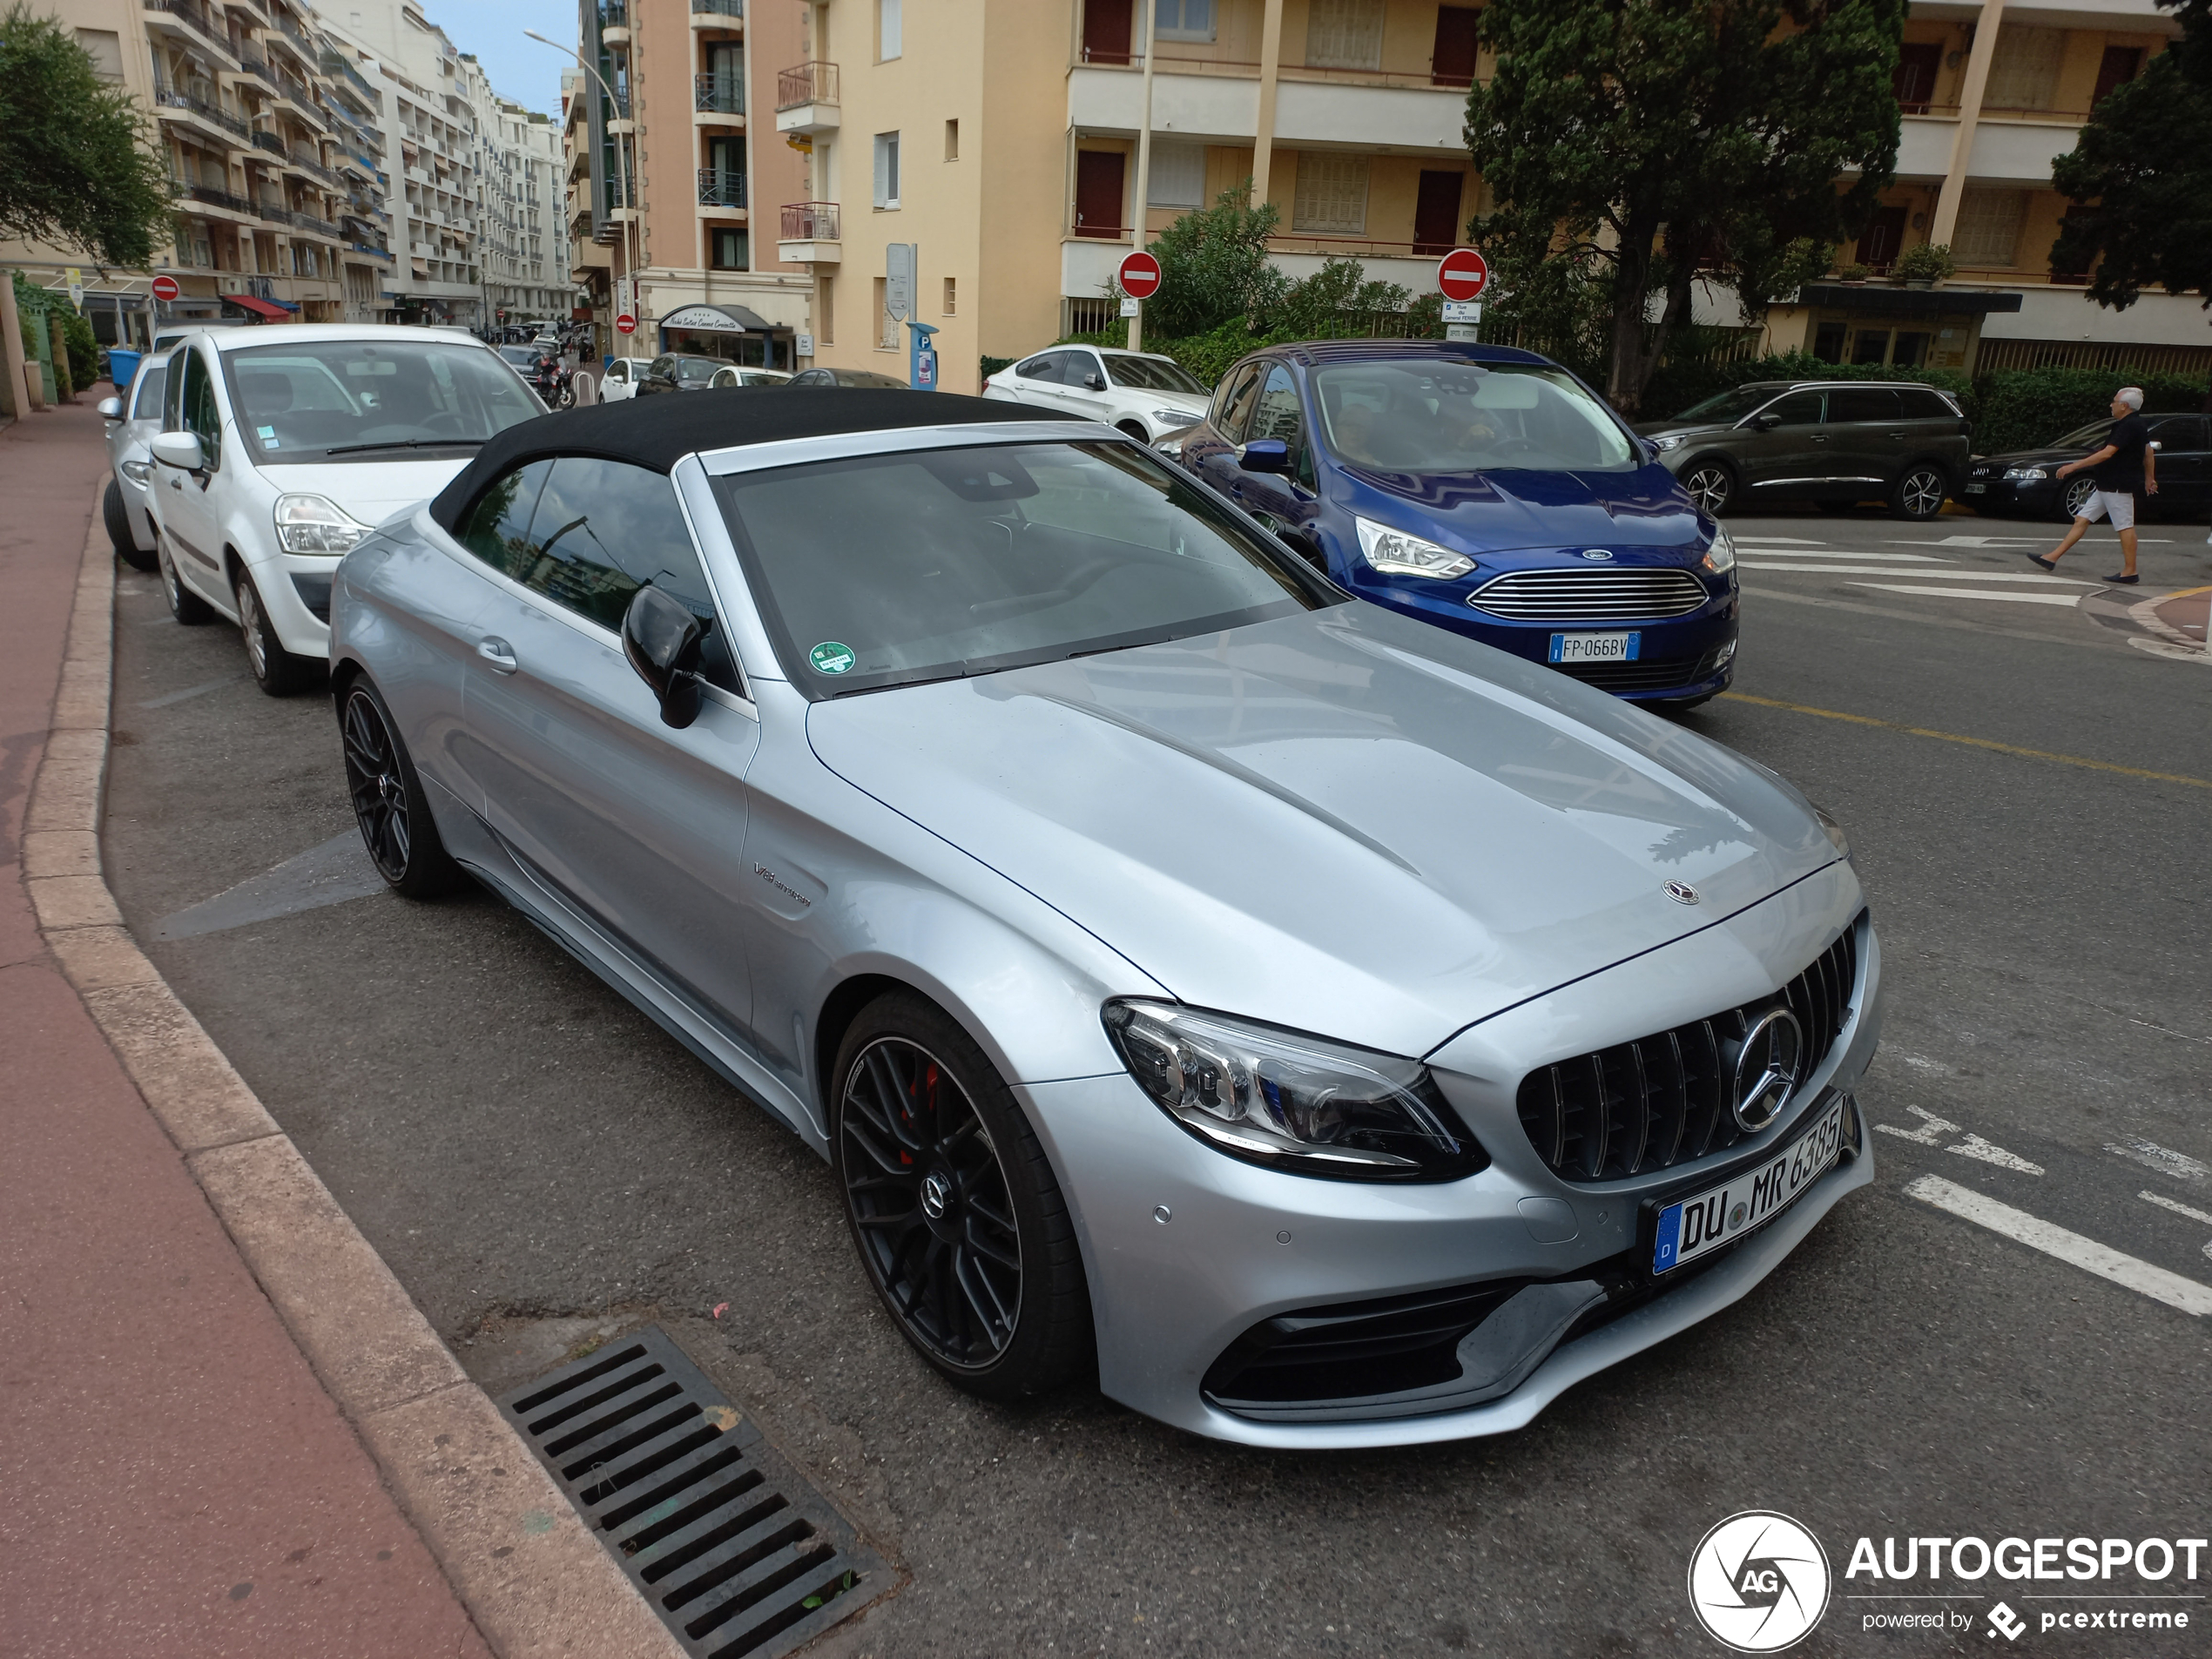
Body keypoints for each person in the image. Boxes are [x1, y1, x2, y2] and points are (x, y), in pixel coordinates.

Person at [2030, 387, 2158, 583]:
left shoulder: (2129, 426)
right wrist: (2150, 478)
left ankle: (2130, 571)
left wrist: (2074, 466)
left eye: (2114, 401)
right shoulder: (2134, 424)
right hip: (2107, 484)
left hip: (2117, 484)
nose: (2111, 405)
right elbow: (2147, 452)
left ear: (2124, 406)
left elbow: (2107, 453)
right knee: (2082, 519)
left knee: (2125, 526)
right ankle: (2051, 558)